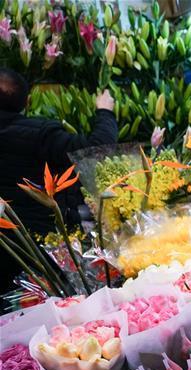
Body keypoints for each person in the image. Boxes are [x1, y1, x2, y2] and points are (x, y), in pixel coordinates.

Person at [0, 68, 118, 290]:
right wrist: (105, 112)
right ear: (27, 102)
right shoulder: (38, 133)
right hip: (44, 254)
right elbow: (97, 151)